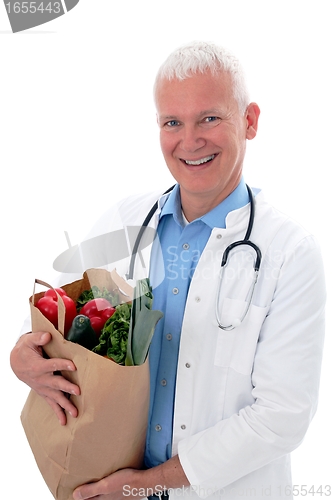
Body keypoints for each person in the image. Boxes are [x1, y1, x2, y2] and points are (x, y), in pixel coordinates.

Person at [10, 41, 326, 500]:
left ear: (250, 121)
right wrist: (23, 356)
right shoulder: (124, 221)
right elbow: (50, 313)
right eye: (172, 122)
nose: (190, 140)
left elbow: (283, 415)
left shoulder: (291, 253)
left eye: (210, 118)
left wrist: (144, 486)